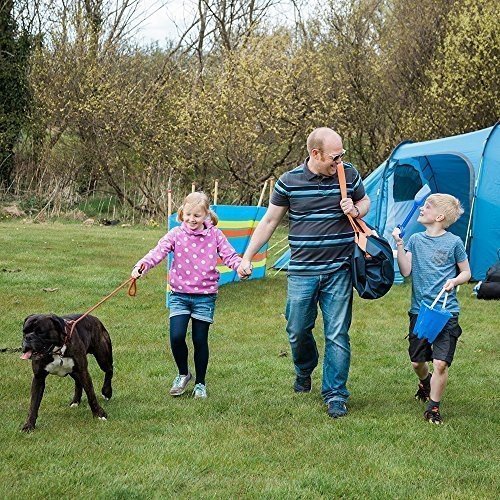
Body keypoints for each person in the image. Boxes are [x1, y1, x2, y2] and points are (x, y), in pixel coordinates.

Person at [238, 127, 370, 418]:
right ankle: (304, 370)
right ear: (315, 154)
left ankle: (335, 394)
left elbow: (365, 201)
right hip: (302, 272)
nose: (340, 162)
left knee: (337, 333)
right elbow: (270, 220)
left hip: (339, 269)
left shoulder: (348, 174)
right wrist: (247, 257)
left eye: (342, 156)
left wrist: (357, 209)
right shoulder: (289, 182)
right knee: (297, 330)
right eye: (335, 157)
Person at [132, 192, 242, 399]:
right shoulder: (175, 234)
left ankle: (200, 383)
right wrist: (143, 265)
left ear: (206, 216)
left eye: (197, 216)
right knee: (176, 336)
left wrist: (240, 267)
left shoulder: (215, 235)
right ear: (182, 213)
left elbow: (229, 255)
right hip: (179, 295)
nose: (192, 220)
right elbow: (158, 251)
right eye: (188, 215)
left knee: (200, 340)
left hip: (204, 296)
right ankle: (183, 374)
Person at [392, 193, 471, 424]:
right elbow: (406, 271)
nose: (421, 209)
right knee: (418, 362)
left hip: (446, 311)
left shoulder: (454, 242)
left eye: (427, 206)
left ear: (439, 216)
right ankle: (425, 382)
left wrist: (455, 281)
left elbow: (466, 272)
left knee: (441, 362)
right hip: (420, 311)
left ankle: (433, 407)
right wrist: (399, 243)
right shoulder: (415, 240)